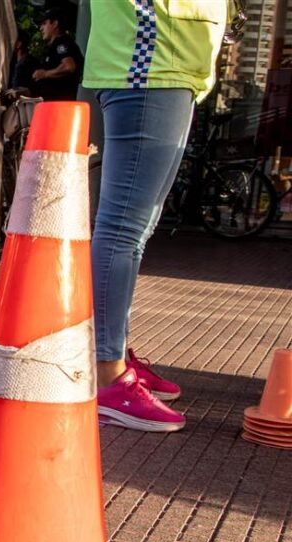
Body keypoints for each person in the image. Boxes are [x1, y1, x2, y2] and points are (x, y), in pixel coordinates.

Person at [83, 0, 227, 432]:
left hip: (166, 63)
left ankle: (113, 355)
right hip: (148, 61)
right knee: (123, 229)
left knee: (135, 230)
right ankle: (105, 374)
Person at [32, 8, 83, 101]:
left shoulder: (62, 42)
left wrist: (45, 74)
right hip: (52, 104)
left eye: (44, 23)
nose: (41, 28)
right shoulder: (55, 45)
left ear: (55, 24)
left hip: (59, 105)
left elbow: (69, 66)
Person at [9, 29, 38, 95]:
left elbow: (35, 89)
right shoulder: (12, 62)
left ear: (18, 44)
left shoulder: (32, 63)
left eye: (11, 40)